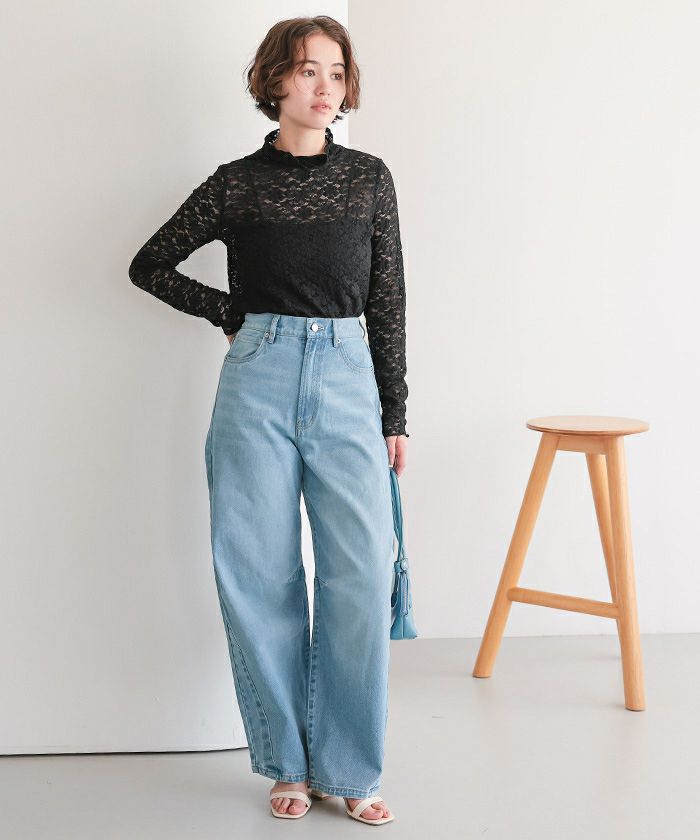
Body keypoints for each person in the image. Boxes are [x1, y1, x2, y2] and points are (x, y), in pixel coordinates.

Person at [128, 15, 407, 825]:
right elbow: (150, 264)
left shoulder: (368, 178)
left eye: (336, 71)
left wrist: (396, 412)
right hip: (258, 378)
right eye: (308, 69)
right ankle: (287, 761)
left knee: (360, 575)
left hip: (349, 377)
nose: (325, 86)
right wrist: (232, 313)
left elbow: (388, 298)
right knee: (261, 573)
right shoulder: (236, 184)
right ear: (275, 79)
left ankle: (348, 767)